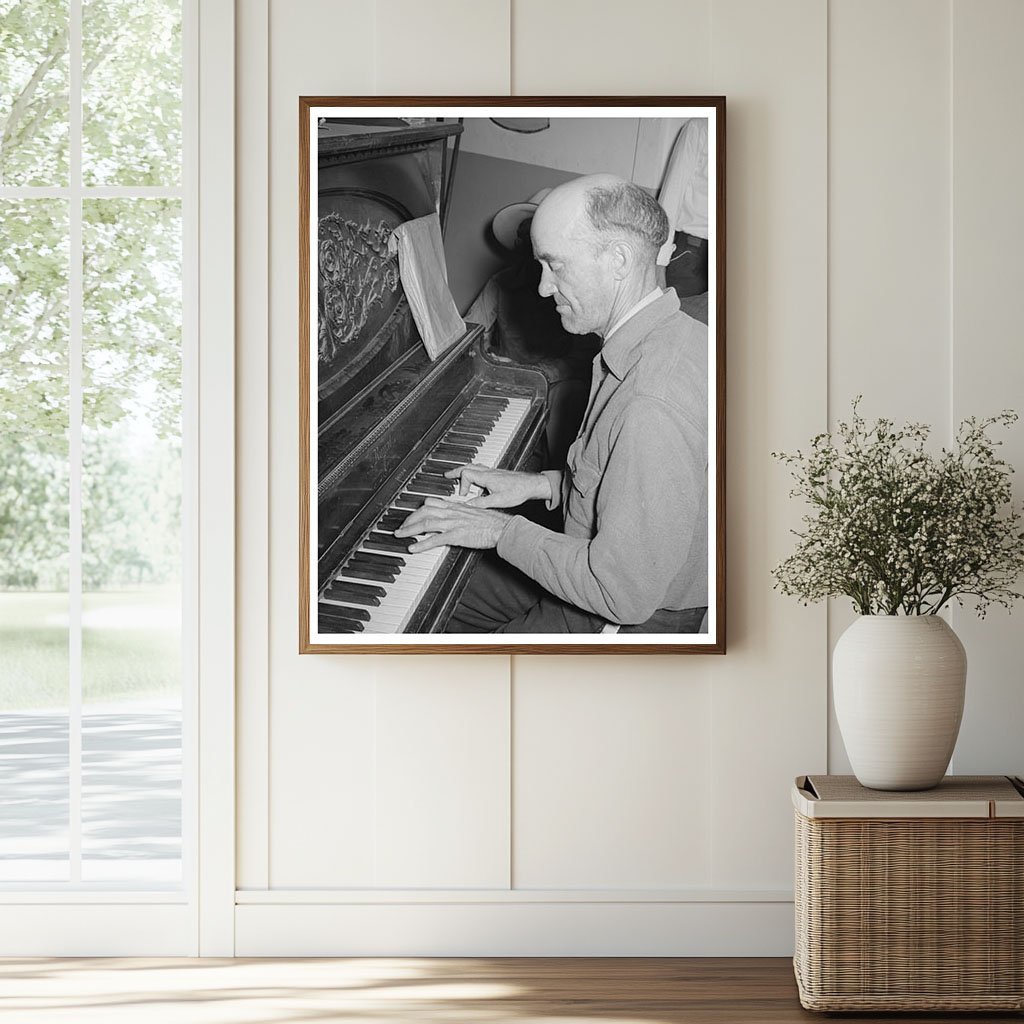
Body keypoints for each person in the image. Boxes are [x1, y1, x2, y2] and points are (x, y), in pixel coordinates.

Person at [395, 173, 708, 633]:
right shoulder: (673, 335)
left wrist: (500, 530)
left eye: (555, 266)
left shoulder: (650, 403)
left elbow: (620, 593)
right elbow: (630, 485)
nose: (543, 288)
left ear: (618, 259)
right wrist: (538, 485)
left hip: (619, 612)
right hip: (595, 559)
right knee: (431, 581)